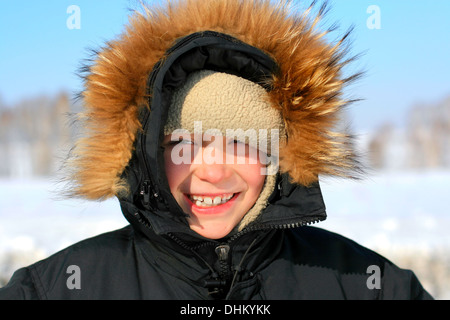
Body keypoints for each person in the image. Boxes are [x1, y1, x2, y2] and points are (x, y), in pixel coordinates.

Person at [0, 0, 432, 300]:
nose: (211, 172)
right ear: (143, 154)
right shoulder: (56, 288)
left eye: (243, 143)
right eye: (182, 144)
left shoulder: (368, 286)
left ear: (278, 155)